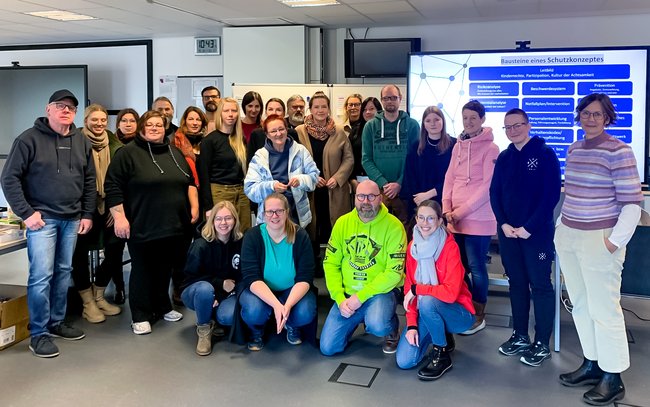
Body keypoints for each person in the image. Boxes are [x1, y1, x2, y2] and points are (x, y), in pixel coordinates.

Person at [555, 93, 642, 405]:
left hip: (600, 238)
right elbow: (571, 194)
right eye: (585, 113)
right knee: (580, 304)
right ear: (579, 116)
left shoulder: (620, 151)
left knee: (604, 309)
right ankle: (592, 363)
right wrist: (561, 228)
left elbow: (632, 203)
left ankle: (613, 377)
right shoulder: (574, 149)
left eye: (597, 114)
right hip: (570, 235)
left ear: (607, 118)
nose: (590, 119)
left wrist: (613, 242)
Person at [1, 89, 95, 358]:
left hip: (72, 219)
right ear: (48, 109)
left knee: (63, 272)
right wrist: (27, 213)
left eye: (71, 107)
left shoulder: (81, 141)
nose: (66, 110)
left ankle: (56, 322)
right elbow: (9, 178)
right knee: (41, 276)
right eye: (60, 105)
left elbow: (90, 180)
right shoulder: (28, 139)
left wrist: (87, 213)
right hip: (42, 221)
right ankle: (39, 333)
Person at [105, 110, 199, 335]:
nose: (155, 128)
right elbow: (113, 186)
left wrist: (194, 206)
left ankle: (162, 306)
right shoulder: (127, 153)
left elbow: (189, 182)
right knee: (142, 269)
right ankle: (140, 315)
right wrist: (119, 217)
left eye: (159, 125)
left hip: (174, 224)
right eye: (150, 124)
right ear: (142, 128)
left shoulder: (174, 152)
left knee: (164, 268)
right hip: (142, 223)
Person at [489, 108, 561, 367]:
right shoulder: (505, 157)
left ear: (528, 125)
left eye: (517, 125)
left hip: (536, 234)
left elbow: (551, 196)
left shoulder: (545, 154)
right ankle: (520, 335)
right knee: (517, 284)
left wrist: (529, 227)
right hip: (509, 234)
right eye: (508, 127)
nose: (513, 131)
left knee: (540, 286)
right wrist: (503, 223)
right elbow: (494, 193)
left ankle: (541, 343)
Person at [320, 180, 406, 356]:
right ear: (355, 198)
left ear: (380, 198)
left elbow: (394, 273)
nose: (365, 201)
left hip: (381, 293)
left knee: (377, 324)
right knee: (328, 348)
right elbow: (330, 263)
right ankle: (360, 317)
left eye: (371, 196)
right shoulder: (342, 223)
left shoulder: (394, 227)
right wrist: (339, 299)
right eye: (361, 196)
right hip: (347, 294)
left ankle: (390, 328)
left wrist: (360, 297)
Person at [395, 200, 475, 380]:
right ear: (416, 219)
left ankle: (442, 353)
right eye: (421, 218)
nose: (425, 223)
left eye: (430, 218)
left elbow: (450, 294)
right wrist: (412, 325)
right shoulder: (412, 247)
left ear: (439, 221)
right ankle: (441, 333)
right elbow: (409, 288)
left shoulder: (450, 247)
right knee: (404, 361)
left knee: (428, 301)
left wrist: (418, 289)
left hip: (458, 314)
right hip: (426, 310)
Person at [442, 100, 499, 335]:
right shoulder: (458, 146)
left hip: (477, 220)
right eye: (465, 118)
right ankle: (464, 307)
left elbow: (487, 188)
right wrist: (446, 209)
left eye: (473, 118)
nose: (469, 122)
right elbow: (449, 178)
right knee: (459, 267)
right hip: (455, 220)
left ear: (482, 119)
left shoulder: (491, 148)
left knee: (476, 268)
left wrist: (459, 212)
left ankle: (478, 313)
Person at [239, 193, 317, 351]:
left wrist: (287, 306)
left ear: (287, 212)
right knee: (254, 311)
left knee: (306, 311)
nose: (274, 216)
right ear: (263, 214)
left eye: (279, 211)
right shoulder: (253, 236)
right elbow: (251, 278)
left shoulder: (300, 235)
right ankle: (257, 330)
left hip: (291, 290)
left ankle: (291, 323)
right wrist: (276, 305)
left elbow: (305, 277)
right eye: (270, 211)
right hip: (261, 290)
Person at [71, 104, 123, 323]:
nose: (99, 123)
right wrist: (84, 210)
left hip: (108, 207)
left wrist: (116, 206)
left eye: (103, 120)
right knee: (79, 254)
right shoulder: (75, 142)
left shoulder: (115, 145)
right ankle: (87, 302)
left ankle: (99, 295)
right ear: (86, 121)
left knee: (115, 249)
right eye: (95, 120)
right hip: (83, 208)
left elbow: (120, 178)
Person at [180, 201, 243, 356]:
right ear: (212, 221)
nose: (223, 223)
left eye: (228, 218)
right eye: (218, 218)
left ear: (235, 220)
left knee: (228, 317)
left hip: (226, 293)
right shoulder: (200, 245)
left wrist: (220, 294)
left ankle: (214, 318)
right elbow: (190, 278)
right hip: (196, 291)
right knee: (204, 290)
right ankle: (204, 329)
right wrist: (219, 284)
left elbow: (241, 274)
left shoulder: (240, 243)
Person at [295, 91, 353, 248]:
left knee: (335, 229)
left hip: (334, 188)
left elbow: (348, 159)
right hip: (310, 189)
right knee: (311, 228)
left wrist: (338, 178)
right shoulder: (299, 132)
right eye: (316, 107)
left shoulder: (339, 131)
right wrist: (311, 178)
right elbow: (295, 161)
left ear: (329, 108)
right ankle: (313, 260)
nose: (320, 110)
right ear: (310, 109)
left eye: (324, 107)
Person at [244, 114, 319, 228]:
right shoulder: (260, 157)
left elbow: (314, 177)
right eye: (273, 131)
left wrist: (301, 180)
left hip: (296, 213)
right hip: (270, 216)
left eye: (281, 129)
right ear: (267, 135)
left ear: (286, 130)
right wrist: (271, 187)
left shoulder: (300, 151)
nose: (278, 134)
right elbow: (250, 189)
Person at [361, 85, 419, 225]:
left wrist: (399, 183)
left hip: (405, 190)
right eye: (386, 98)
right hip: (379, 191)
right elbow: (366, 159)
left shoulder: (412, 125)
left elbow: (416, 159)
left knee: (405, 230)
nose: (390, 101)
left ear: (400, 98)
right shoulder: (370, 126)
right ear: (381, 100)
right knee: (378, 229)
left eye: (393, 98)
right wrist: (384, 184)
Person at [198, 97, 250, 231]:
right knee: (222, 233)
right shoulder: (209, 141)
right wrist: (208, 207)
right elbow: (203, 175)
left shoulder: (241, 140)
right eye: (226, 111)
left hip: (241, 192)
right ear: (220, 113)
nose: (231, 114)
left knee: (244, 232)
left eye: (234, 111)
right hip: (219, 192)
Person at [400, 106, 456, 219]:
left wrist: (430, 194)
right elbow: (410, 178)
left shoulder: (454, 145)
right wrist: (420, 199)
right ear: (424, 124)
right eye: (428, 120)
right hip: (420, 203)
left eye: (436, 119)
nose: (433, 124)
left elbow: (455, 177)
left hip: (447, 203)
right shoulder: (416, 147)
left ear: (443, 121)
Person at [247, 97, 300, 164]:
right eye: (270, 109)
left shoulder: (292, 133)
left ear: (284, 113)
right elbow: (251, 162)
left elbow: (298, 158)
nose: (274, 113)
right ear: (266, 112)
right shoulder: (257, 134)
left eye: (278, 110)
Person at [349, 97, 382, 192]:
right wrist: (352, 179)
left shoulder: (385, 129)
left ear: (379, 110)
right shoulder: (356, 130)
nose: (368, 112)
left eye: (371, 109)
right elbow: (349, 156)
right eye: (364, 109)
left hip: (381, 180)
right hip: (359, 179)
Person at [173, 106, 208, 189]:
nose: (195, 123)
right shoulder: (176, 141)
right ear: (185, 121)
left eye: (198, 120)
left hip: (204, 187)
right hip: (182, 187)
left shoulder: (207, 141)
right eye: (191, 119)